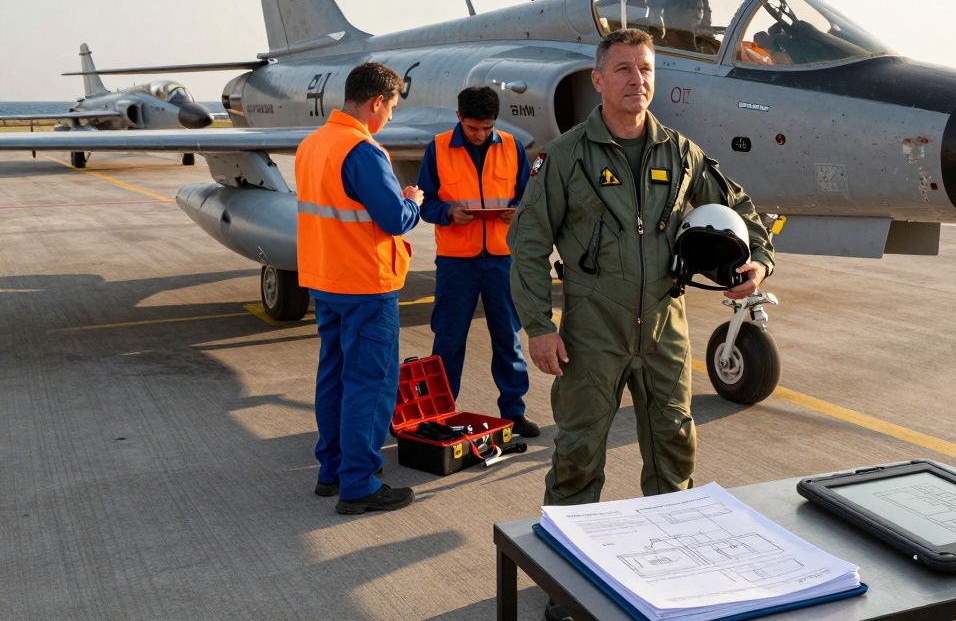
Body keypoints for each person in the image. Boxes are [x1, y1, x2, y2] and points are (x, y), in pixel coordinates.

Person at [509, 28, 774, 507]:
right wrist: (538, 326)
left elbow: (738, 205)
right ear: (598, 79)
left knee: (675, 449)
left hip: (663, 327)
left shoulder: (680, 154)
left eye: (646, 69)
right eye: (624, 69)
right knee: (578, 455)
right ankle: (566, 569)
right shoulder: (566, 157)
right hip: (591, 331)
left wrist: (758, 259)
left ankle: (667, 557)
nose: (638, 79)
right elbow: (527, 243)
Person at [295, 61, 423, 515]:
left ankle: (330, 471)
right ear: (375, 103)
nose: (390, 117)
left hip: (325, 279)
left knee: (333, 377)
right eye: (390, 107)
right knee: (370, 383)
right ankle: (359, 484)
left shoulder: (312, 145)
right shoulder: (363, 151)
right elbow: (393, 219)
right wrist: (412, 202)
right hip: (365, 283)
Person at [415, 86, 538, 438]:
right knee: (449, 340)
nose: (481, 135)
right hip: (457, 263)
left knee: (508, 338)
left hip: (501, 259)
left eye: (487, 127)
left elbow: (526, 195)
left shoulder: (513, 147)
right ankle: (440, 413)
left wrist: (518, 212)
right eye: (473, 128)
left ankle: (514, 412)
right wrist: (448, 211)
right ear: (458, 118)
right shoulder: (437, 149)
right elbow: (424, 203)